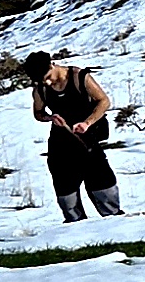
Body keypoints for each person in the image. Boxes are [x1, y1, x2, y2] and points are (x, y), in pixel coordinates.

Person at [25, 50, 121, 220]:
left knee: (102, 183)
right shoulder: (41, 89)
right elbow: (38, 113)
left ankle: (113, 220)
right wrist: (50, 117)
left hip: (87, 139)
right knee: (65, 190)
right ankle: (75, 228)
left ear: (51, 65)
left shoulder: (79, 77)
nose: (47, 81)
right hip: (60, 144)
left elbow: (104, 101)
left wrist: (87, 123)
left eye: (47, 76)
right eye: (41, 80)